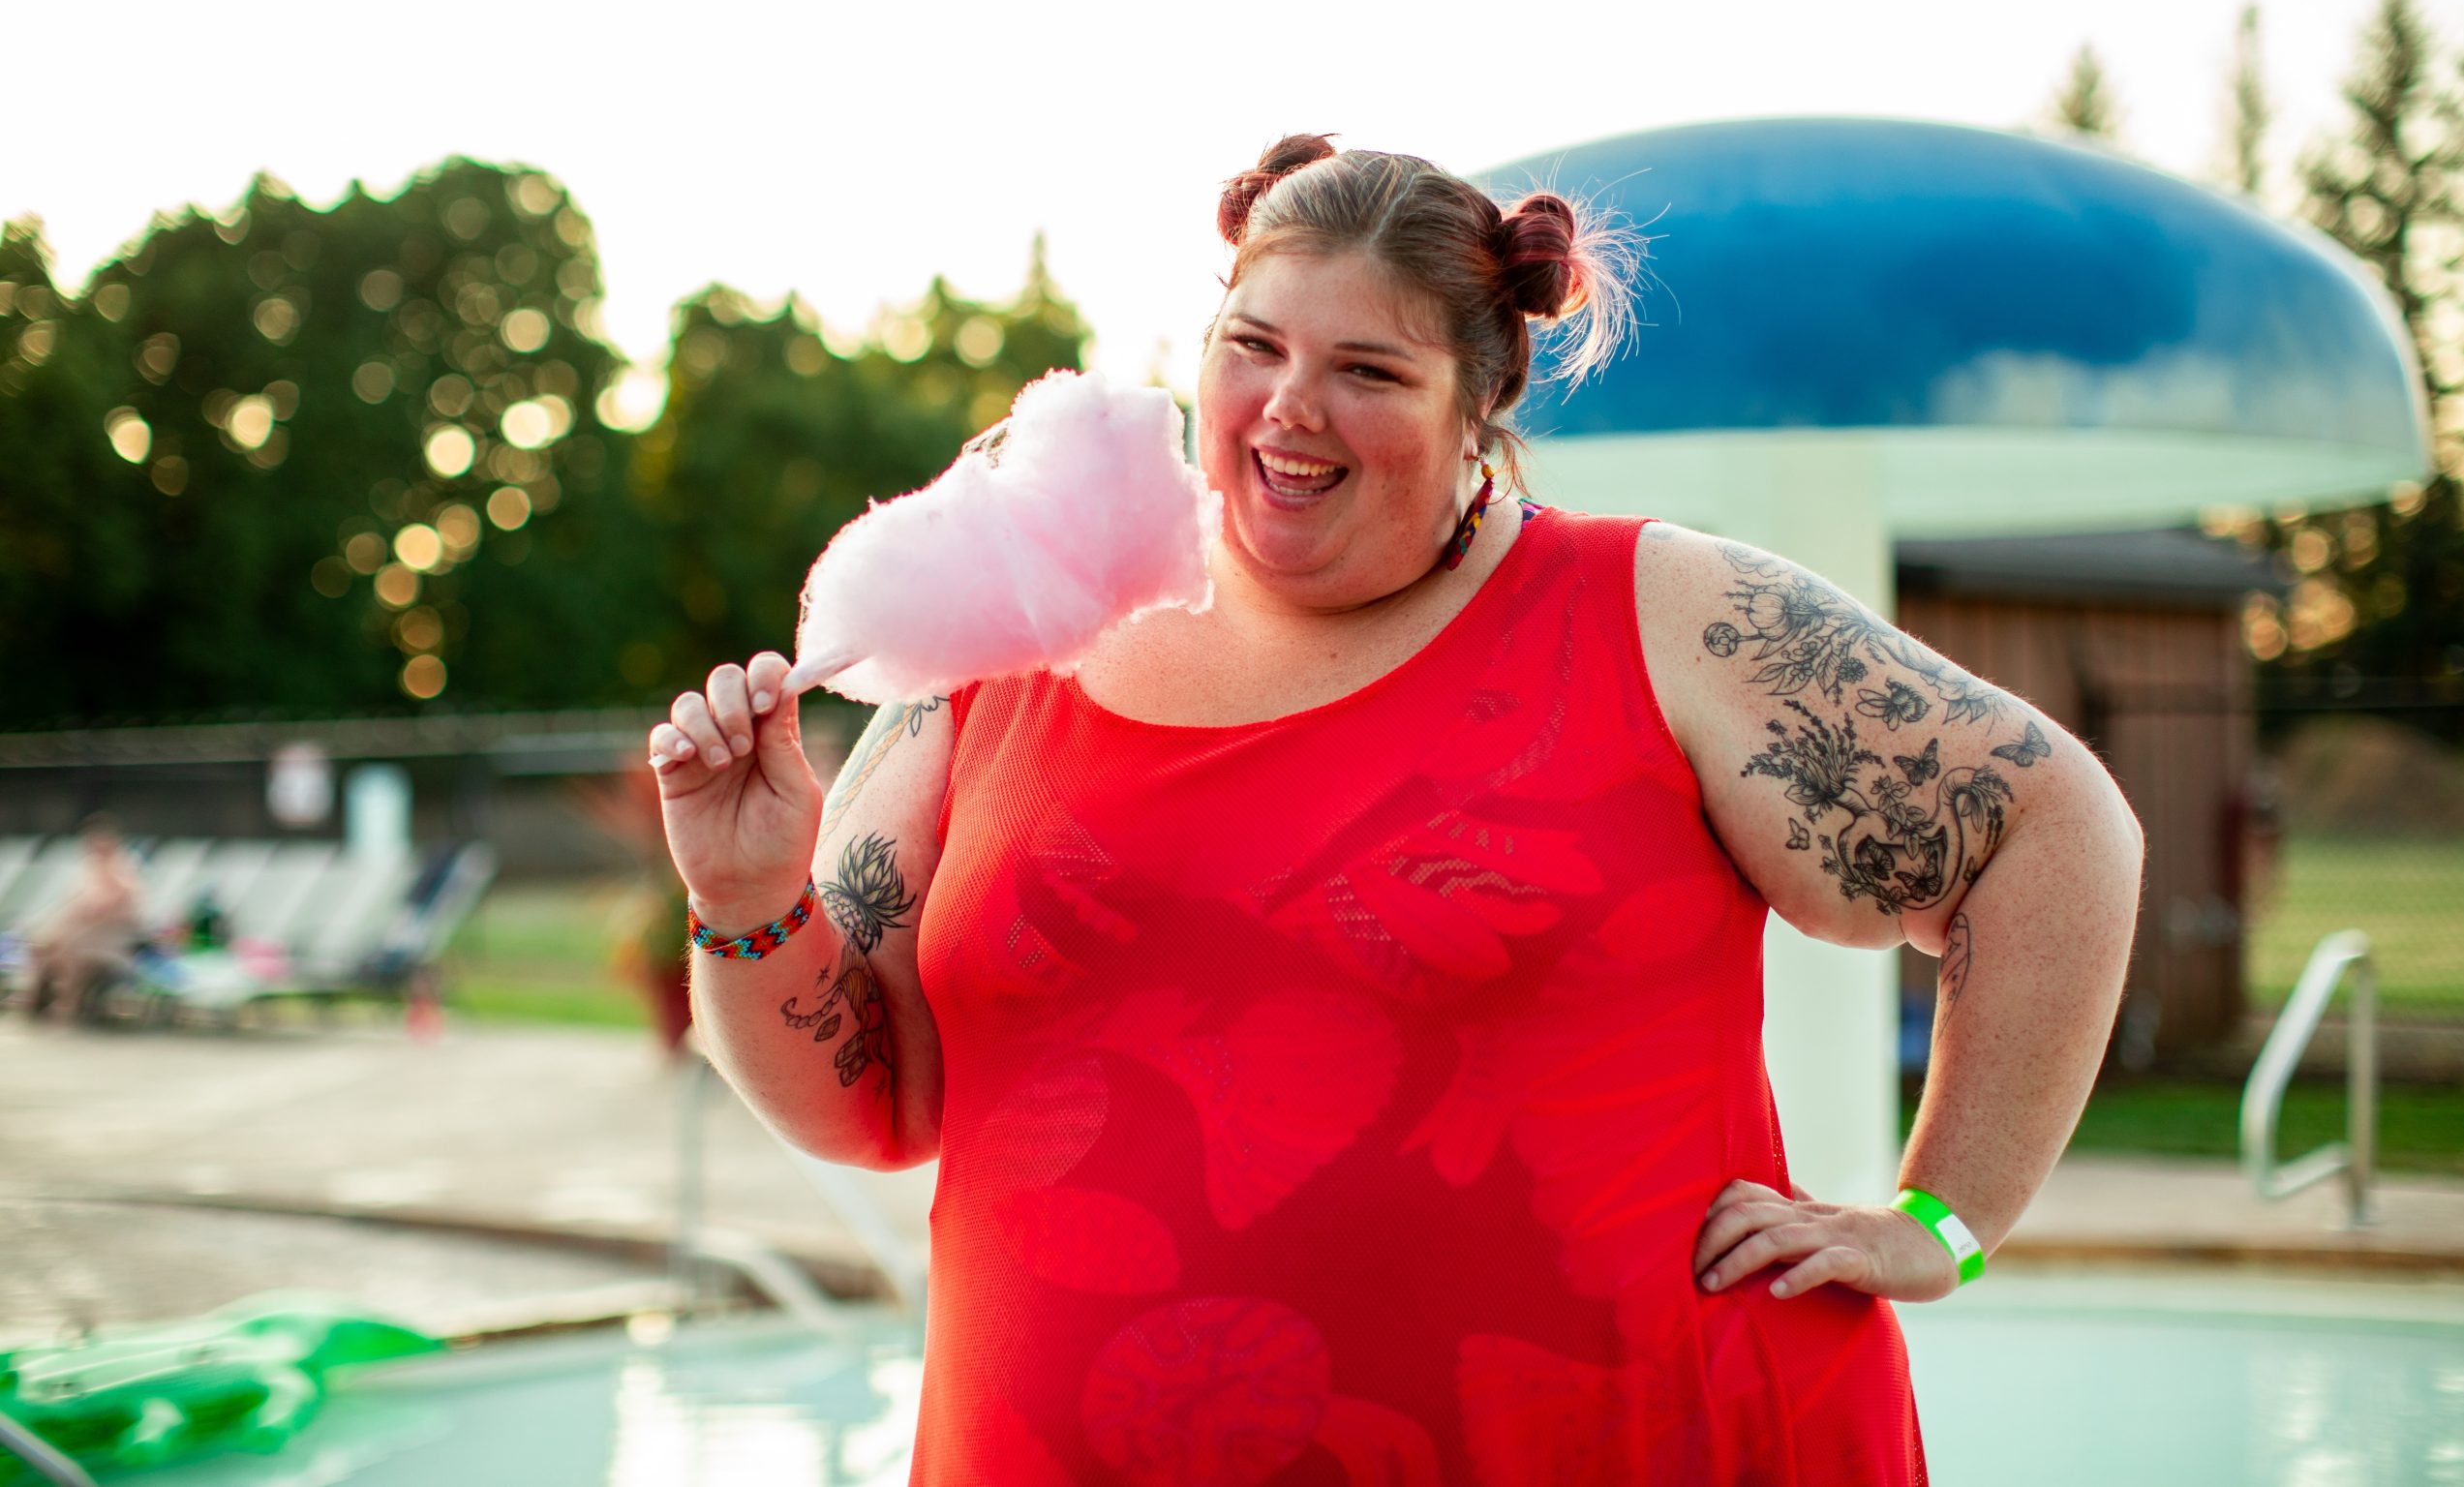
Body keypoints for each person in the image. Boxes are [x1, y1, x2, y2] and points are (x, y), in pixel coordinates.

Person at [652, 135, 2146, 1484]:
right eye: (1253, 345)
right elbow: (871, 1101)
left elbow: (2057, 826)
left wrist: (1940, 1218)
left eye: (1369, 370)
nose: (1290, 410)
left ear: (1482, 401)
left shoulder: (1659, 613)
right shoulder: (1011, 642)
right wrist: (744, 892)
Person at [22, 812, 147, 1022]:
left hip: (110, 940)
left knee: (70, 952)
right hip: (80, 937)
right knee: (44, 947)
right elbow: (71, 908)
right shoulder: (88, 871)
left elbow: (105, 909)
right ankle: (35, 1004)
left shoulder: (123, 873)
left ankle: (65, 1008)